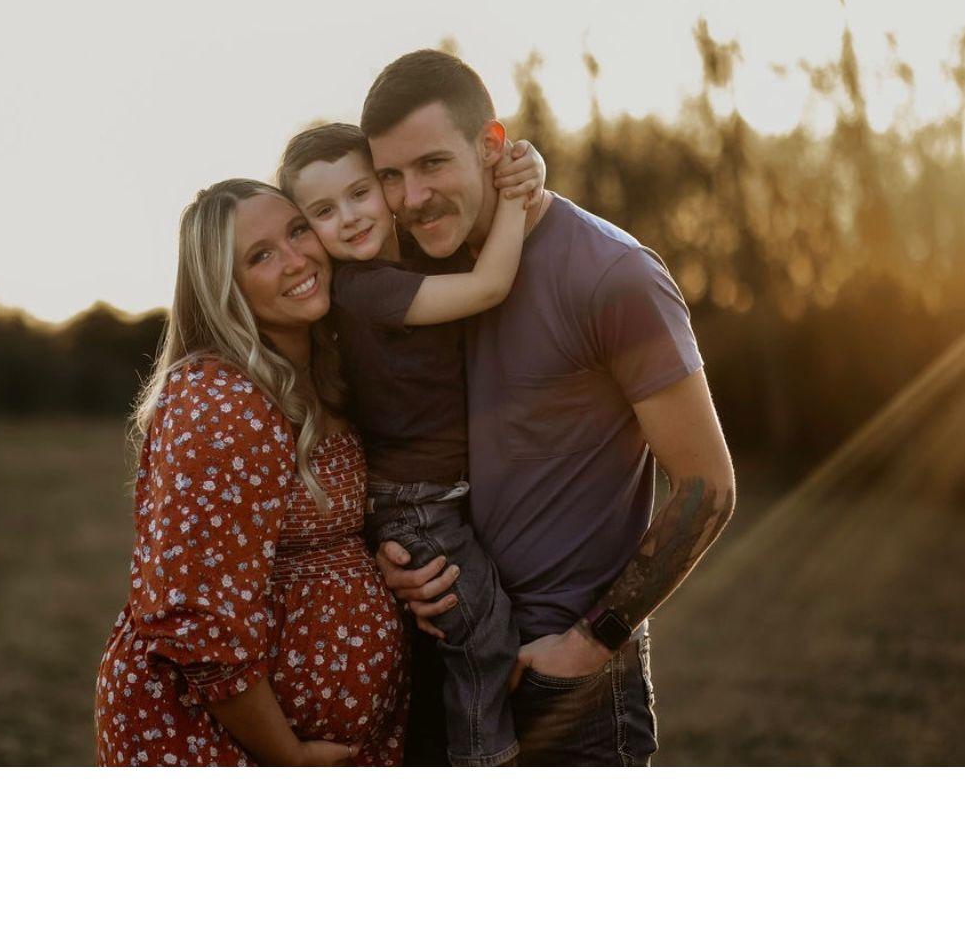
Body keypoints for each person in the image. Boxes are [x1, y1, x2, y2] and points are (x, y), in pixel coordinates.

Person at [362, 49, 736, 766]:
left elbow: (707, 487)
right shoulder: (416, 280)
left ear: (491, 146)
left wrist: (591, 641)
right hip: (449, 665)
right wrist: (394, 555)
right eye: (391, 175)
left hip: (570, 686)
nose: (411, 198)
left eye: (432, 164)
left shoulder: (612, 273)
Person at [94, 178, 407, 765]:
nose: (296, 259)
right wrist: (288, 756)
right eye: (261, 256)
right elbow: (197, 615)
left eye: (298, 231)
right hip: (208, 738)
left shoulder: (328, 370)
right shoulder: (221, 400)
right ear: (224, 288)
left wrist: (383, 564)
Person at [277, 123, 538, 767]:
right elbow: (489, 286)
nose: (349, 217)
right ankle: (485, 760)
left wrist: (522, 166)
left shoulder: (410, 263)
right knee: (482, 633)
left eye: (359, 192)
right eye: (323, 212)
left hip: (438, 493)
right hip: (415, 503)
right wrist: (517, 197)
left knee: (471, 630)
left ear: (386, 187)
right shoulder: (364, 289)